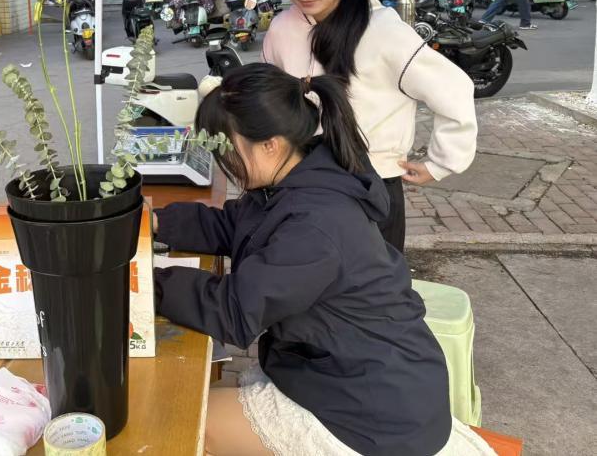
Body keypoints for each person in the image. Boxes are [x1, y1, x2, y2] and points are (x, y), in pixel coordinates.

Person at [153, 64, 493, 456]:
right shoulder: (300, 176)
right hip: (351, 373)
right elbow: (236, 226)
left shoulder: (314, 223)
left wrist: (147, 282)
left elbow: (235, 312)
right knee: (196, 396)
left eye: (225, 146)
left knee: (182, 420)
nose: (221, 160)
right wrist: (158, 222)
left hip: (374, 413)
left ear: (270, 144)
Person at [262, 0, 477, 253]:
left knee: (371, 298)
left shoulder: (383, 31)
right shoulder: (281, 29)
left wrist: (441, 163)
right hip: (302, 185)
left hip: (371, 190)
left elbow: (454, 88)